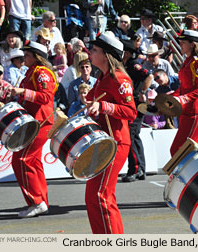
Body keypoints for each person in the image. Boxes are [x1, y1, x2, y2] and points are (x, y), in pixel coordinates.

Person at [85, 32, 136, 233]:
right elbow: (92, 98)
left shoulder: (120, 79)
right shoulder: (102, 77)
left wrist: (104, 106)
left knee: (101, 195)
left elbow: (131, 112)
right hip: (104, 141)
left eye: (95, 50)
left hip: (116, 142)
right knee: (93, 196)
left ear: (106, 56)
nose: (90, 53)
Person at [10, 41, 58, 218]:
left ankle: (36, 201)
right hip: (35, 122)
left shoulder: (42, 72)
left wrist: (22, 92)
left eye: (27, 55)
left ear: (37, 57)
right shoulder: (32, 72)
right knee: (33, 161)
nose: (24, 57)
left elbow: (45, 97)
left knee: (22, 159)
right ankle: (40, 200)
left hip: (40, 122)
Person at [169, 30, 198, 156]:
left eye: (183, 42)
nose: (180, 44)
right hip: (186, 111)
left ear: (192, 44)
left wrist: (183, 99)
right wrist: (169, 98)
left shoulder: (197, 62)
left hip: (196, 112)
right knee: (177, 150)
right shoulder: (187, 62)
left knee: (183, 151)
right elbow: (183, 88)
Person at [120, 39, 153, 183]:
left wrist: (142, 91)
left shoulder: (133, 65)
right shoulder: (126, 65)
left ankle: (134, 169)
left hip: (135, 105)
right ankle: (141, 169)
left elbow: (149, 76)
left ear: (126, 53)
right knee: (135, 136)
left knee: (131, 136)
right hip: (132, 105)